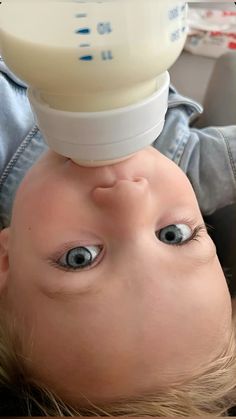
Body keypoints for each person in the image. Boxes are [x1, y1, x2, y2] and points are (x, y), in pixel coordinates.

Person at [0, 52, 236, 417]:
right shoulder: (176, 158)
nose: (131, 196)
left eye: (80, 257)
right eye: (173, 235)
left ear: (6, 259)